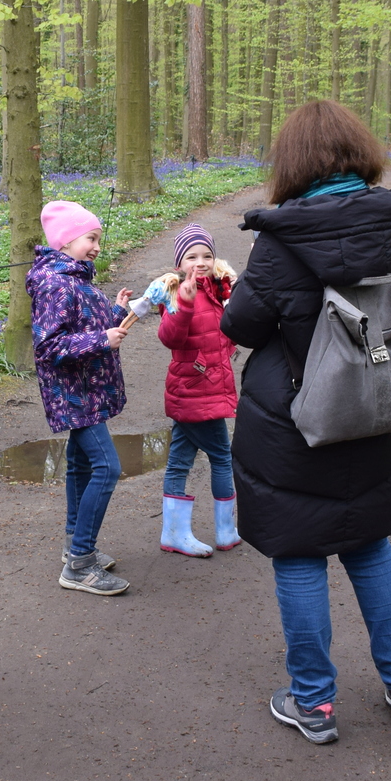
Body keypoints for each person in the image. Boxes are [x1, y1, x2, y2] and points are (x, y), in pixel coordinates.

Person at [219, 99, 391, 744]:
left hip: (294, 418)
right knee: (369, 543)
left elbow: (241, 326)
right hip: (372, 405)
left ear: (293, 163)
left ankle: (313, 701)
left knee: (298, 553)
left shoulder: (280, 240)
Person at [27, 201, 135, 596]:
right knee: (107, 467)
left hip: (86, 390)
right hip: (74, 394)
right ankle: (80, 563)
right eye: (91, 238)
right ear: (65, 240)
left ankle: (74, 544)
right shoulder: (55, 283)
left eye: (98, 239)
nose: (97, 246)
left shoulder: (75, 278)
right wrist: (102, 340)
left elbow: (83, 327)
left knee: (81, 464)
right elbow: (48, 347)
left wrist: (116, 312)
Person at [151, 224, 241, 556]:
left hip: (204, 386)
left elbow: (224, 333)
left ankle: (174, 533)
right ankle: (225, 531)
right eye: (191, 257)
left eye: (206, 255)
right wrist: (186, 304)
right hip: (195, 389)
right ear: (179, 262)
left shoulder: (218, 289)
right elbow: (170, 338)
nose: (200, 262)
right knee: (222, 457)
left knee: (180, 460)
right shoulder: (175, 292)